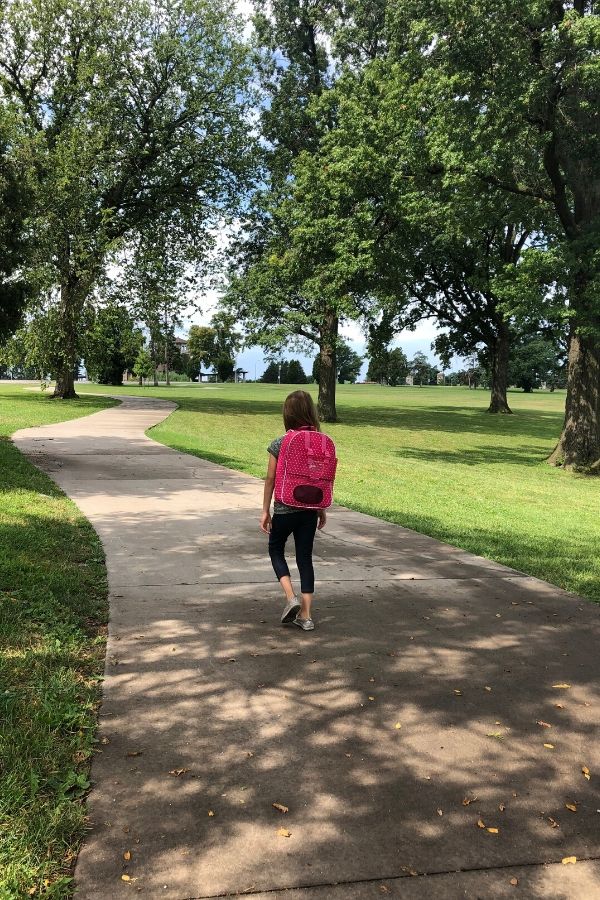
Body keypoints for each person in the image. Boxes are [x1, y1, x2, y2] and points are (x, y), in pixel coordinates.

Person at [260, 390, 327, 631]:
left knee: (276, 548)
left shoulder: (280, 442)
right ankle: (306, 616)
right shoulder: (318, 442)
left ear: (288, 414)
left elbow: (270, 479)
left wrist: (265, 510)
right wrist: (320, 508)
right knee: (305, 558)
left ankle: (291, 598)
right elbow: (318, 479)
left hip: (285, 508)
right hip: (309, 509)